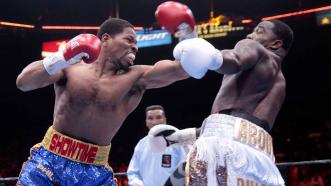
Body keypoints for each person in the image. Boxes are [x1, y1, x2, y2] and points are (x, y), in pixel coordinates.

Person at [15, 4, 197, 184]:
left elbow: (183, 69)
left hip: (94, 172)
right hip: (49, 162)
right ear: (106, 39)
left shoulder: (137, 78)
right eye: (129, 40)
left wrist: (187, 31)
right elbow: (24, 83)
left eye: (136, 44)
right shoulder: (71, 66)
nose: (135, 47)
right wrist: (61, 57)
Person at [154, 19, 294, 185]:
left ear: (276, 44)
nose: (250, 34)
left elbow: (235, 59)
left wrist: (211, 57)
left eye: (259, 31)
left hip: (221, 149)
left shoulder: (253, 47)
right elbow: (238, 127)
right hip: (261, 159)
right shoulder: (280, 83)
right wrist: (176, 138)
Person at [127, 105, 188, 186]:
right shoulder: (141, 144)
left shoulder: (178, 143)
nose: (154, 122)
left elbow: (185, 170)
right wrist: (138, 184)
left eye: (158, 117)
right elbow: (133, 172)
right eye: (150, 118)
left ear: (165, 120)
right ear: (146, 122)